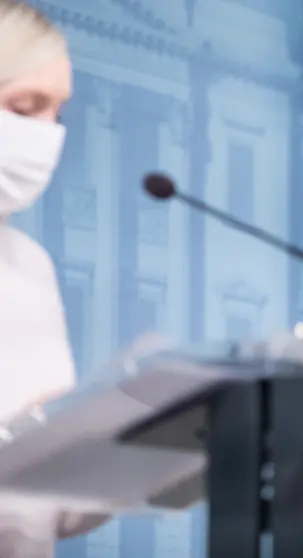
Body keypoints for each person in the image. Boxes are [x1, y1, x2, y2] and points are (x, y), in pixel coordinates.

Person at [0, 1, 109, 556]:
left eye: (58, 113)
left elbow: (38, 512)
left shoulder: (30, 268)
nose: (47, 136)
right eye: (25, 106)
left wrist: (147, 450)